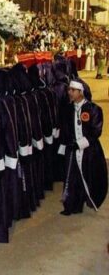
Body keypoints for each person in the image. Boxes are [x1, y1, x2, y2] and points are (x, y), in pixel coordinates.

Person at [59, 79, 107, 215]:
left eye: (72, 90)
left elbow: (96, 131)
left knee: (88, 176)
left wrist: (80, 144)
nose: (69, 93)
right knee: (71, 177)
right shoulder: (67, 109)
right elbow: (65, 129)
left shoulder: (94, 109)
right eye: (69, 90)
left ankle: (91, 199)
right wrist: (65, 146)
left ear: (81, 92)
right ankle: (71, 206)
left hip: (89, 150)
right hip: (72, 150)